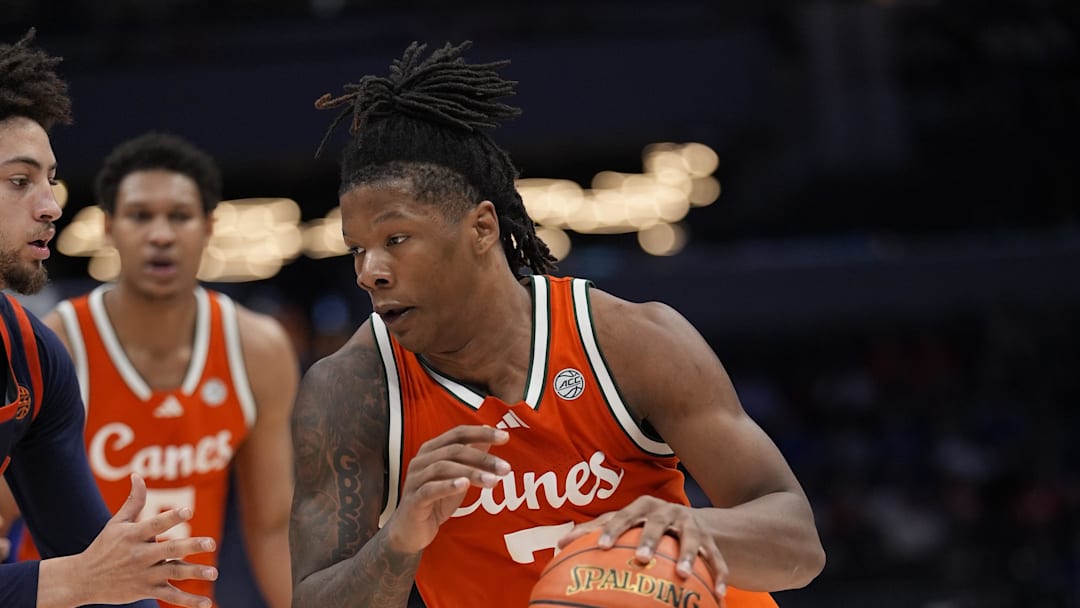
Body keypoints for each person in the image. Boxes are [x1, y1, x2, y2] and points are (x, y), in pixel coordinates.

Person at [288, 41, 826, 608]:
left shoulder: (629, 342)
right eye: (357, 250)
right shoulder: (352, 389)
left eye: (396, 240)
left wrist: (688, 529)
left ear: (481, 228)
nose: (370, 272)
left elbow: (798, 544)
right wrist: (397, 541)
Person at [6, 131, 299, 608]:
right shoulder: (58, 344)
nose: (160, 235)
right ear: (108, 228)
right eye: (140, 216)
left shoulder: (258, 349)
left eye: (179, 216)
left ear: (208, 227)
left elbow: (270, 526)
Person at [0, 28, 218, 608]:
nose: (50, 205)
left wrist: (117, 580)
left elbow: (104, 573)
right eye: (20, 181)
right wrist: (73, 580)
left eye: (50, 180)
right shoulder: (71, 333)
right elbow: (84, 577)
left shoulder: (34, 358)